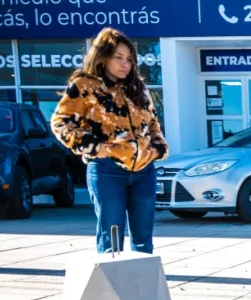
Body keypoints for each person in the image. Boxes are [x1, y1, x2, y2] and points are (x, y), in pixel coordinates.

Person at [51, 27, 168, 254]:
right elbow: (60, 122)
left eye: (130, 59)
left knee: (144, 240)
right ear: (103, 57)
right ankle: (111, 288)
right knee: (111, 239)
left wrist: (157, 149)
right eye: (119, 57)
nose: (126, 64)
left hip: (145, 171)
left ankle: (139, 288)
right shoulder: (85, 85)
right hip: (107, 170)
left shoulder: (139, 88)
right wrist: (95, 148)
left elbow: (153, 123)